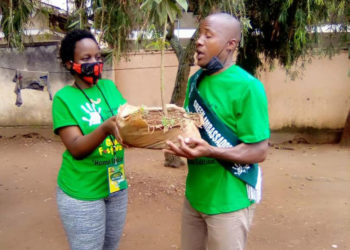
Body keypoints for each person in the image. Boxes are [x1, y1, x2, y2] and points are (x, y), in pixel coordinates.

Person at [165, 13, 270, 250]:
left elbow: (259, 151)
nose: (198, 41)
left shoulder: (248, 87)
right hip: (195, 196)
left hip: (229, 201)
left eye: (208, 35)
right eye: (199, 34)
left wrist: (211, 151)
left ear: (230, 44)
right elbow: (191, 128)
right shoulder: (196, 81)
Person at [52, 29, 128, 250]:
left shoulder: (109, 87)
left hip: (116, 186)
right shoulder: (63, 99)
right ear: (69, 64)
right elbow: (76, 147)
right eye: (86, 59)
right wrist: (105, 128)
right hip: (82, 193)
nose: (94, 62)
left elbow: (125, 121)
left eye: (98, 57)